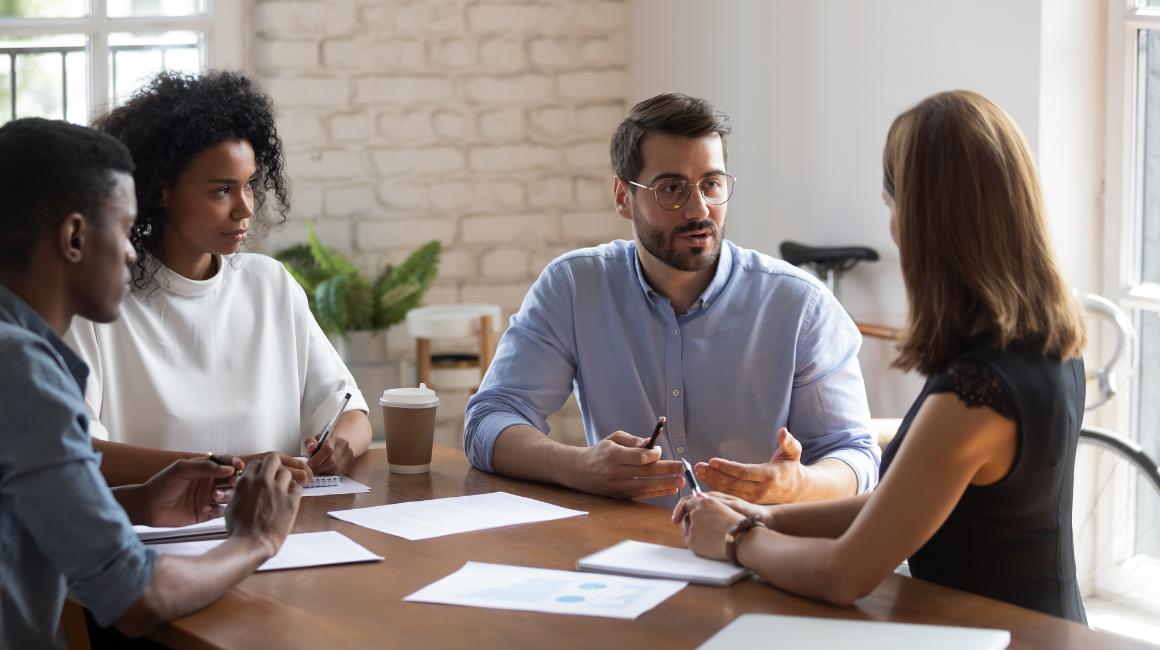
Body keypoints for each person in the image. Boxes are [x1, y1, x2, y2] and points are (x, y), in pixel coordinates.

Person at [677, 90, 1088, 623]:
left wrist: (736, 538)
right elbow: (905, 507)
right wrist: (764, 518)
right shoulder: (1043, 339)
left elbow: (842, 575)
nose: (892, 225)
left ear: (925, 221)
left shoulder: (975, 392)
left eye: (893, 205)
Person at [464, 93, 879, 508]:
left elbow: (856, 457)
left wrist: (796, 485)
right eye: (671, 188)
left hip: (756, 548)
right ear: (623, 197)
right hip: (624, 551)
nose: (699, 209)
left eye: (712, 184)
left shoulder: (800, 306)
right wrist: (580, 467)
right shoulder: (574, 287)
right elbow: (489, 420)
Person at [0, 117, 301, 647]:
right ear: (73, 237)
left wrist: (135, 503)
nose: (132, 251)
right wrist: (255, 540)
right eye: (121, 229)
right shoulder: (21, 373)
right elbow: (137, 599)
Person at [66, 70, 372, 487]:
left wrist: (341, 446)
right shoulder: (97, 304)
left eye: (249, 186)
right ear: (160, 190)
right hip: (160, 535)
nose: (245, 208)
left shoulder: (271, 286)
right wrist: (232, 467)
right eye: (222, 190)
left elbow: (351, 413)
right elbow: (79, 452)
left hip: (284, 531)